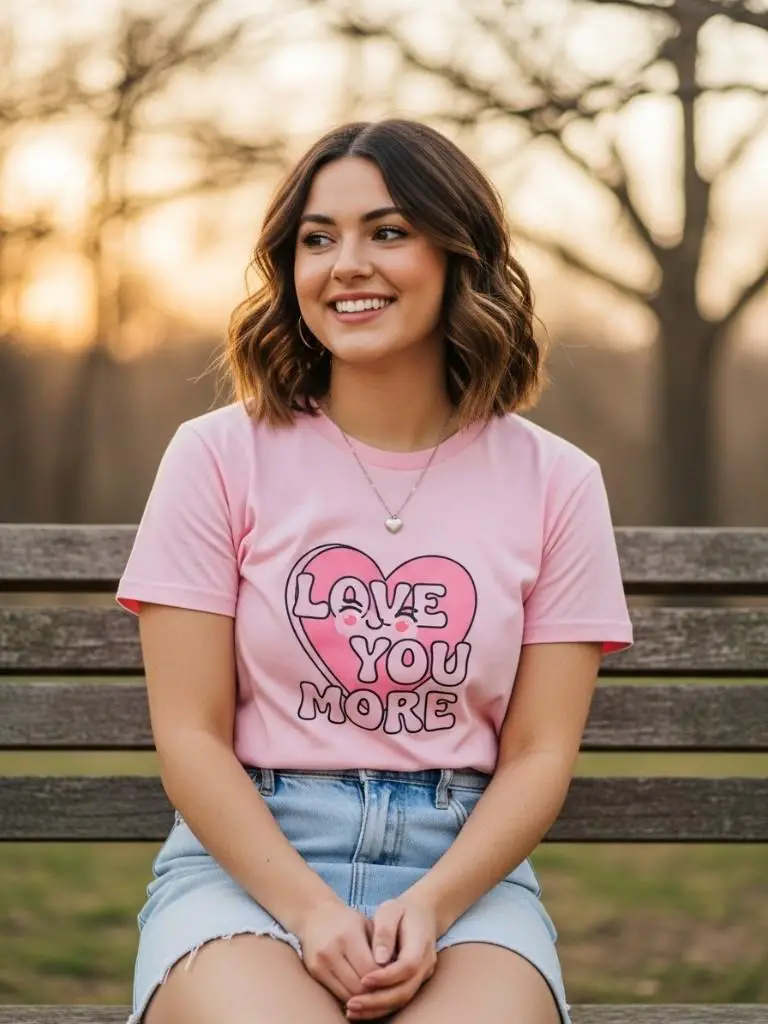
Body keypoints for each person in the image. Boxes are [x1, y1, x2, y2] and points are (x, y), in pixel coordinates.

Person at [117, 118, 633, 1024]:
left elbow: (540, 752)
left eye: (387, 232)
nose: (345, 263)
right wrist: (309, 910)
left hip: (464, 876)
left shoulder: (558, 482)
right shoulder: (216, 457)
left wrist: (430, 905)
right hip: (249, 867)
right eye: (318, 240)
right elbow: (190, 736)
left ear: (457, 255)